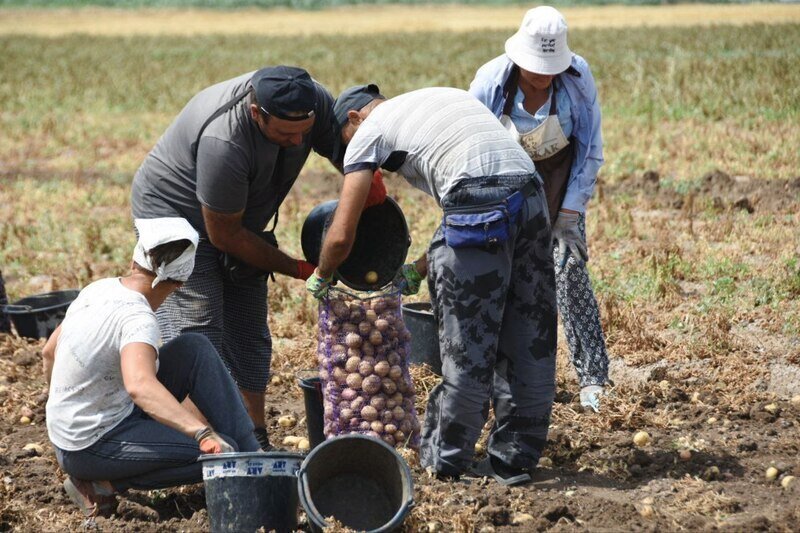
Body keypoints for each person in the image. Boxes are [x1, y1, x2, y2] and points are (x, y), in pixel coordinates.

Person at [307, 84, 557, 485]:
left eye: (344, 143)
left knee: (467, 346)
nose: (351, 157)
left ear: (354, 119)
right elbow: (470, 209)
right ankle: (515, 459)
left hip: (481, 203)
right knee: (529, 335)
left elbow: (340, 235)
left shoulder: (367, 134)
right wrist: (419, 270)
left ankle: (446, 461)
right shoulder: (435, 99)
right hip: (529, 194)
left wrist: (321, 275)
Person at [130, 66, 384, 449]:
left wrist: (374, 195)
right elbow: (225, 235)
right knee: (200, 333)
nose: (298, 139)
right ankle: (202, 450)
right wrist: (300, 269)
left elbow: (346, 151)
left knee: (249, 332)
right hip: (176, 216)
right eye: (286, 134)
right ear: (256, 114)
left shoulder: (308, 99)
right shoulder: (225, 141)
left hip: (239, 214)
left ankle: (253, 439)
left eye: (304, 130)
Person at [43, 218, 260, 518]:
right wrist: (201, 433)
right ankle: (102, 482)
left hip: (72, 431)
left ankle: (256, 458)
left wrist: (62, 410)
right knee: (226, 454)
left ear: (135, 260)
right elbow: (139, 385)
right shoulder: (138, 319)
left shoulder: (98, 289)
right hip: (90, 445)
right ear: (180, 283)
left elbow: (49, 350)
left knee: (193, 348)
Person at [469, 6, 611, 412]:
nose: (543, 76)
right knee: (502, 283)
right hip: (504, 196)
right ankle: (506, 377)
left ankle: (593, 377)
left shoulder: (577, 80)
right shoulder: (490, 82)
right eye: (535, 68)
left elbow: (590, 149)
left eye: (551, 68)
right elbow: (470, 146)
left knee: (569, 275)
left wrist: (570, 213)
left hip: (558, 192)